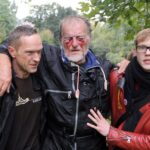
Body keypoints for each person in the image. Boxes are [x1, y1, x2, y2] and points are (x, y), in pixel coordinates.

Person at [0, 15, 129, 150]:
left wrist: (130, 65)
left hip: (92, 145)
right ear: (60, 40)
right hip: (54, 144)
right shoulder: (46, 58)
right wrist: (3, 62)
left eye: (80, 38)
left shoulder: (105, 69)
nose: (74, 44)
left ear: (89, 38)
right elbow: (13, 42)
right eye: (68, 39)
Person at [87, 28, 150, 149]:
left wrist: (111, 133)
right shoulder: (118, 77)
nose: (147, 53)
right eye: (143, 47)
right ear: (135, 51)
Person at [0, 25, 44, 150]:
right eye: (29, 53)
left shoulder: (42, 79)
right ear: (12, 51)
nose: (37, 58)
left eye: (39, 52)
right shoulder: (3, 82)